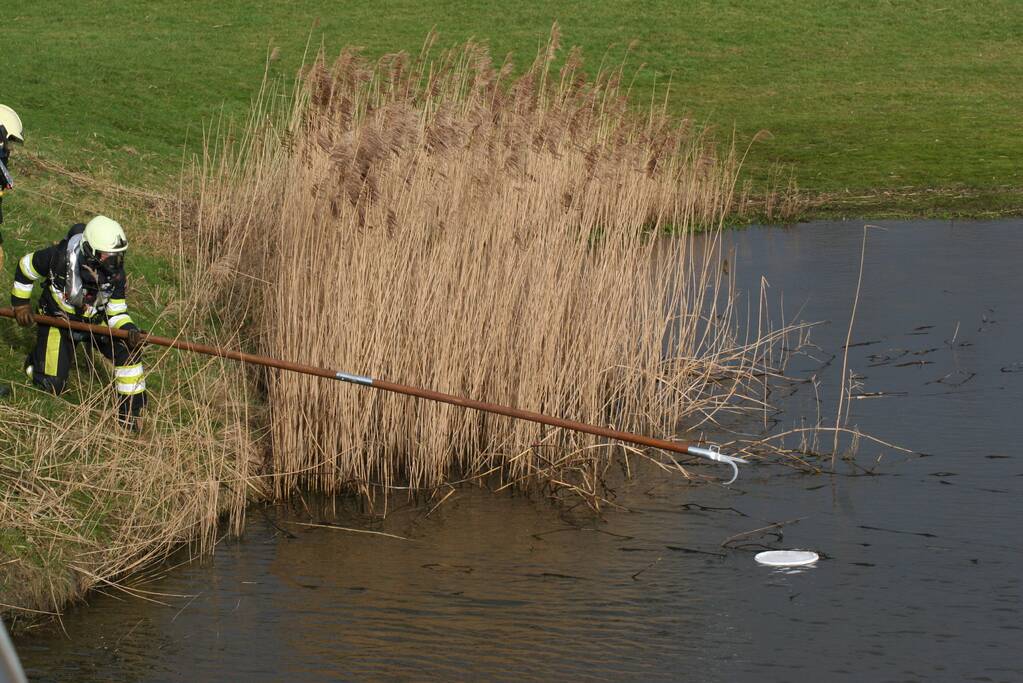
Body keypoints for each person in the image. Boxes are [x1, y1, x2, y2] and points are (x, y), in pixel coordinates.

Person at [10, 215, 147, 430]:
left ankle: (130, 413)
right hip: (58, 320)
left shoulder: (116, 276)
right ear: (90, 252)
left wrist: (129, 330)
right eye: (109, 257)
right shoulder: (57, 258)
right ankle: (37, 361)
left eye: (119, 256)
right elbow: (26, 266)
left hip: (95, 323)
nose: (115, 263)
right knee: (51, 385)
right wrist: (20, 304)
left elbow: (116, 312)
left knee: (128, 352)